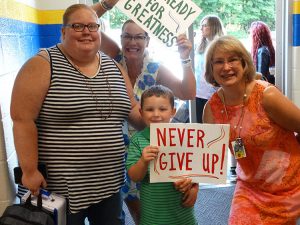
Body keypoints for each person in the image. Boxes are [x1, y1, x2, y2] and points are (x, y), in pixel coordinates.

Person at [10, 4, 145, 225]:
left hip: (109, 184)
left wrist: (156, 118)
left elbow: (131, 110)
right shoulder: (42, 65)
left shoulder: (115, 68)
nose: (86, 32)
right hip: (61, 190)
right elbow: (22, 119)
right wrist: (29, 170)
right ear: (63, 32)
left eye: (92, 26)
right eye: (78, 26)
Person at [91, 3, 196, 223]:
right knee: (128, 211)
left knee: (152, 209)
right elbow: (89, 23)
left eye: (139, 37)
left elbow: (188, 93)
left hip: (148, 149)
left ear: (147, 41)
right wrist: (105, 5)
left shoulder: (155, 68)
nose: (132, 42)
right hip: (113, 148)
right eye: (127, 37)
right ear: (120, 39)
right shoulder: (112, 57)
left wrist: (185, 59)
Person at [203, 35, 300, 224]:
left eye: (232, 59)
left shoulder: (266, 95)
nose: (226, 67)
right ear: (211, 69)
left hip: (290, 186)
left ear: (244, 63)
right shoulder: (212, 108)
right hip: (249, 187)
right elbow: (209, 157)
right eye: (219, 62)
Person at [126, 85, 199, 225]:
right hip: (153, 217)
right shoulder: (138, 140)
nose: (156, 114)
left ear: (173, 111)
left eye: (162, 109)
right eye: (149, 109)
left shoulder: (184, 138)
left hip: (183, 214)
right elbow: (134, 176)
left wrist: (195, 187)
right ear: (141, 112)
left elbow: (197, 168)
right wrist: (143, 161)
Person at [195, 15, 225, 123]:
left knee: (214, 127)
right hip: (198, 93)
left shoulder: (221, 46)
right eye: (201, 25)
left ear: (214, 26)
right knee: (199, 126)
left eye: (204, 25)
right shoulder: (199, 46)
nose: (201, 28)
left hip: (214, 93)